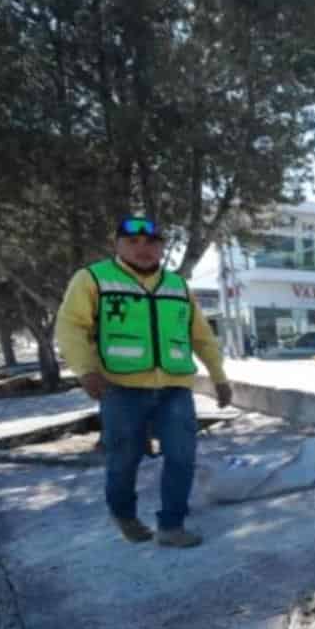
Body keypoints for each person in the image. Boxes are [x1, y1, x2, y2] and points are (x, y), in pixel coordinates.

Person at [55, 215, 233, 548]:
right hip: (120, 388)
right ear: (117, 245)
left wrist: (219, 377)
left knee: (182, 456)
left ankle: (171, 526)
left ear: (162, 247)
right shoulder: (93, 279)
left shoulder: (177, 286)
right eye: (132, 241)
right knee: (124, 459)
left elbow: (203, 336)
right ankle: (124, 514)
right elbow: (70, 327)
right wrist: (85, 370)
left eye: (151, 242)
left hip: (175, 388)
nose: (143, 248)